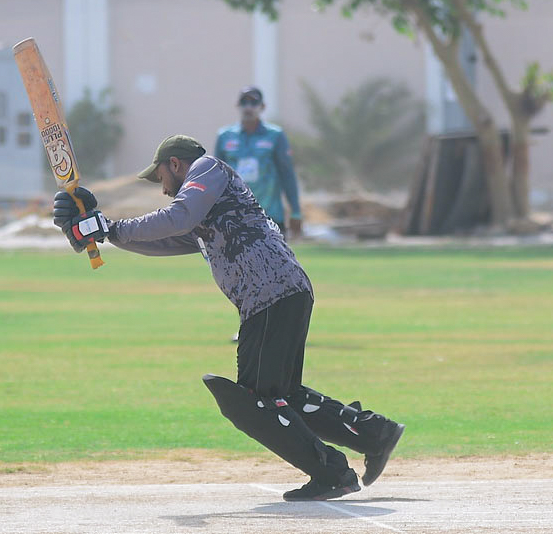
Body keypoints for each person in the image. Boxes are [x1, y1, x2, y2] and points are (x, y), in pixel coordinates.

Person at [52, 135, 405, 501]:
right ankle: (374, 435)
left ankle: (332, 473)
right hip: (279, 293)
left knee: (253, 403)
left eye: (161, 178)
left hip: (271, 293)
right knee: (282, 396)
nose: (163, 189)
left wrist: (105, 227)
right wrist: (105, 230)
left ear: (175, 164)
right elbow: (164, 240)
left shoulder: (208, 169)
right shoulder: (206, 208)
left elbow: (177, 218)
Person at [214, 86, 302, 239]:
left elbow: (287, 174)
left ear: (262, 107)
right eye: (244, 102)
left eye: (253, 103)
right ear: (237, 105)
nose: (248, 107)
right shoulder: (225, 136)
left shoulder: (275, 135)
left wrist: (295, 211)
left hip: (270, 215)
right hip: (235, 216)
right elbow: (216, 178)